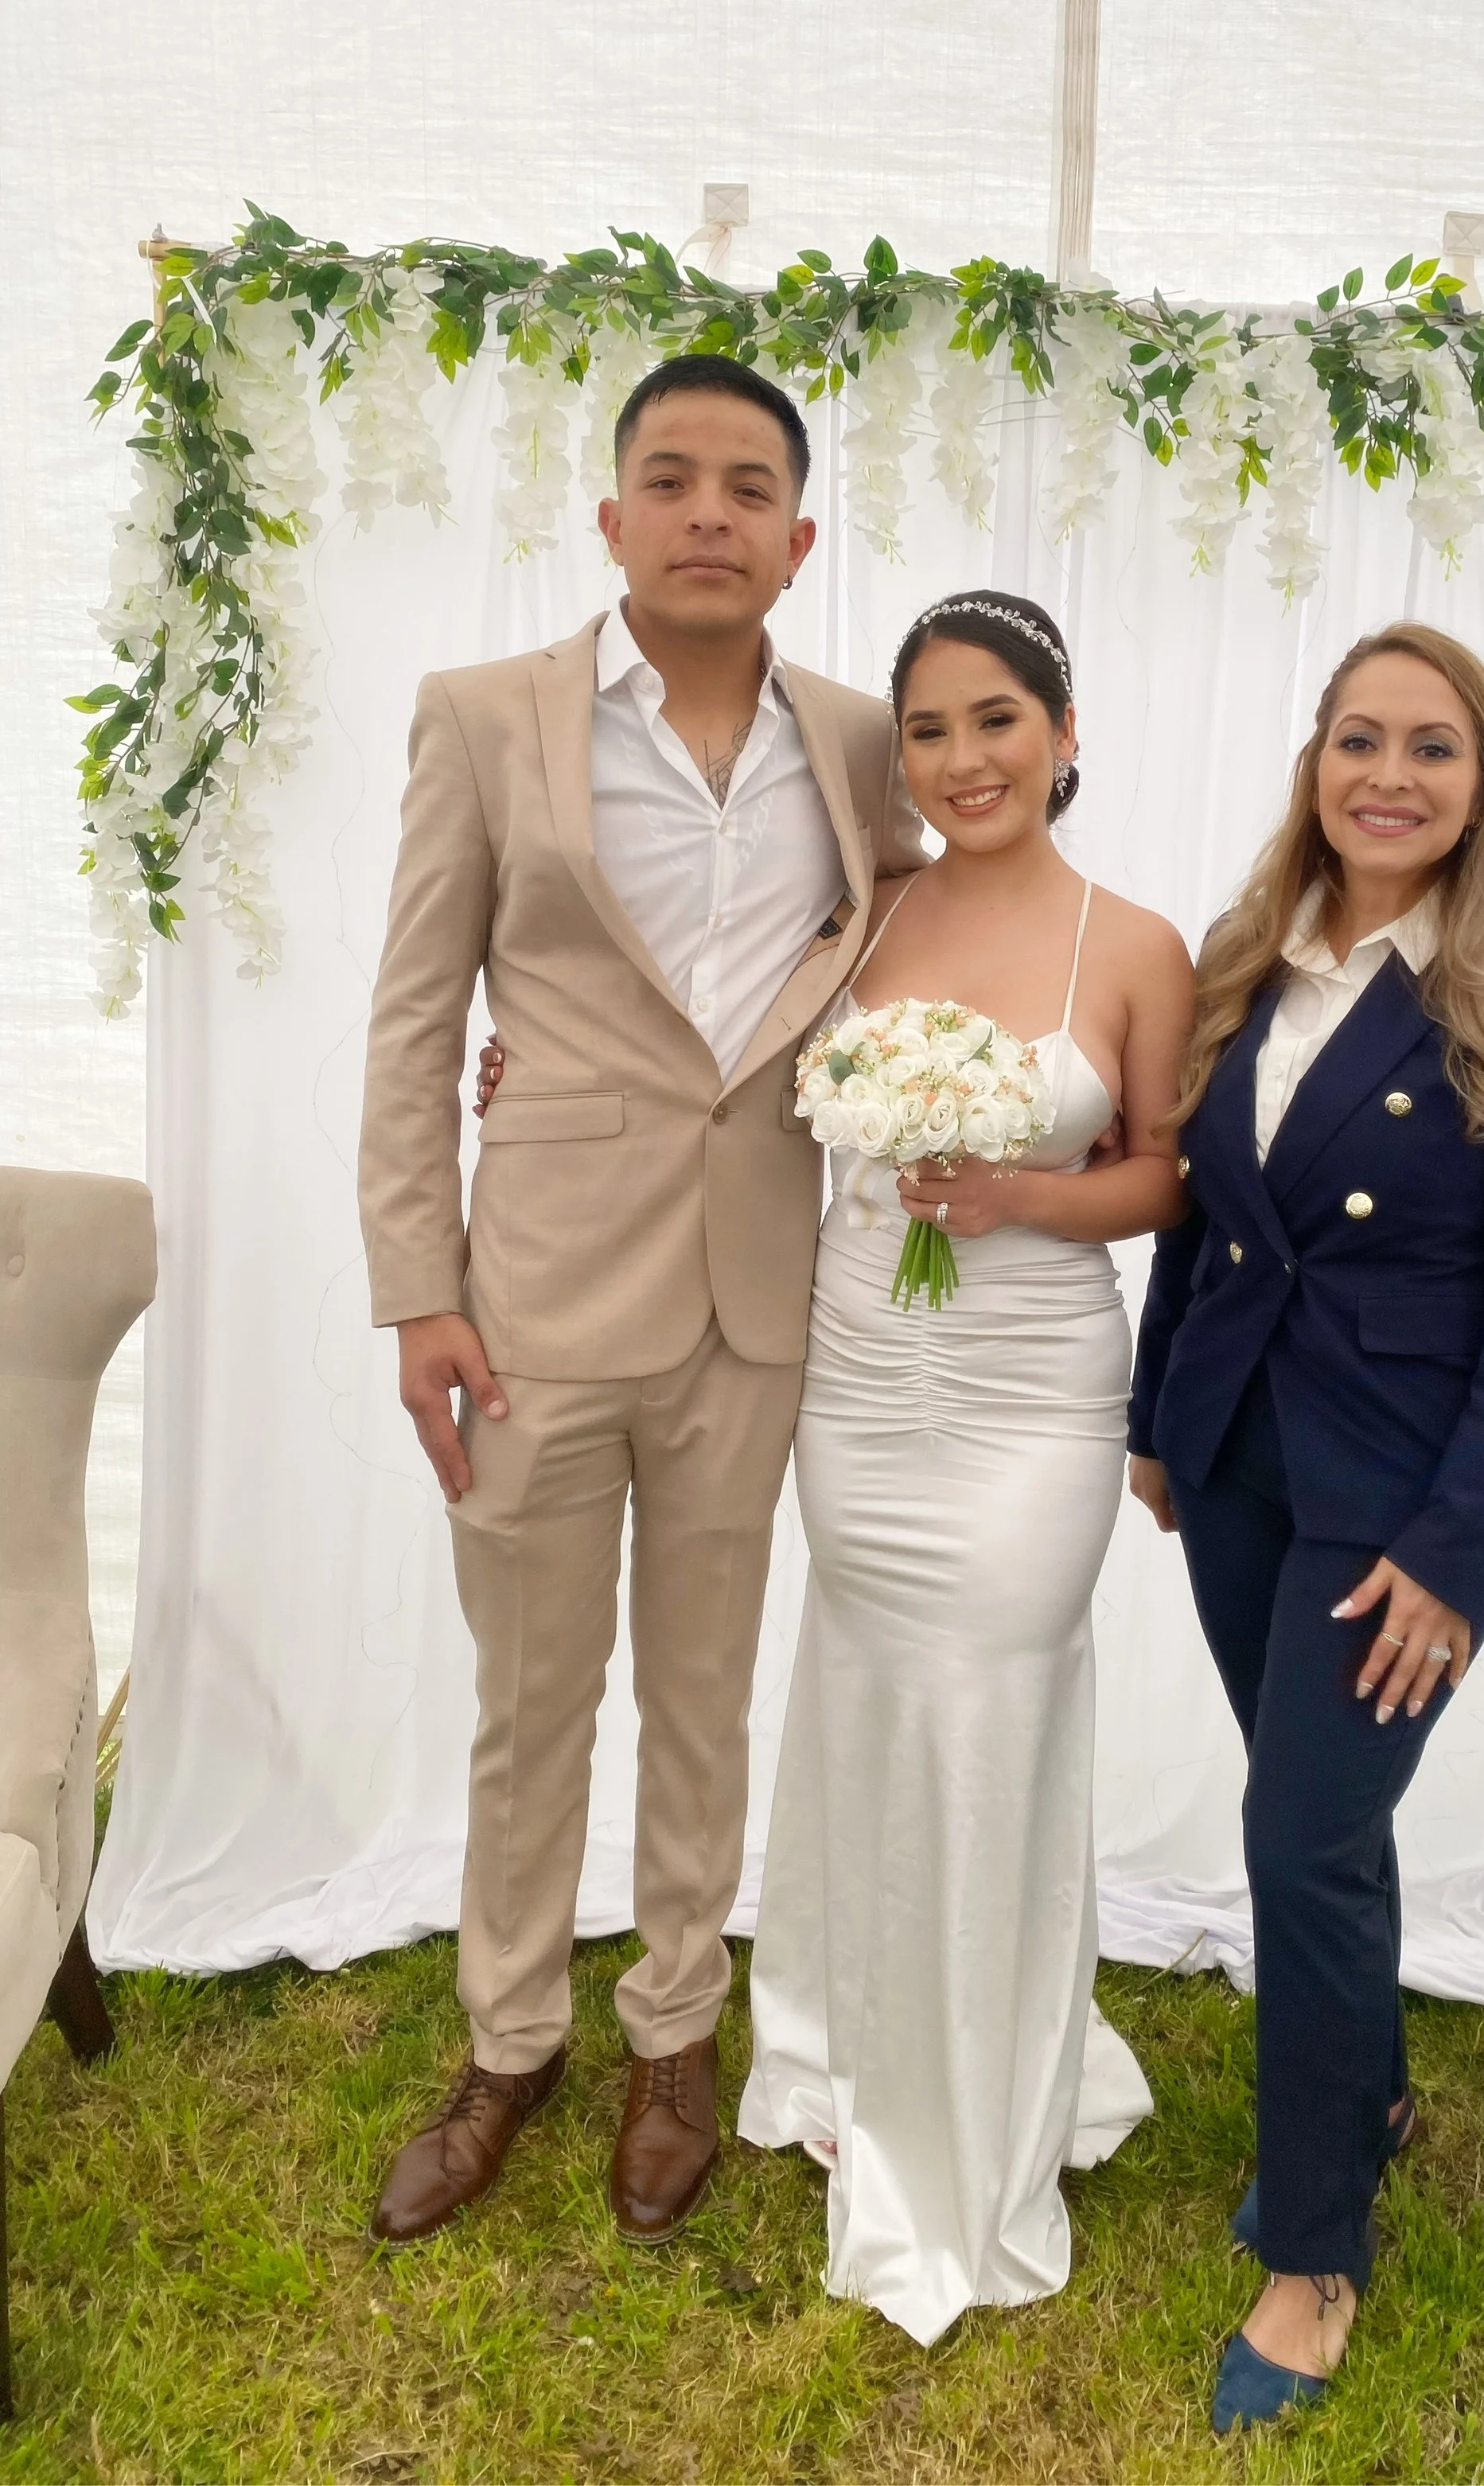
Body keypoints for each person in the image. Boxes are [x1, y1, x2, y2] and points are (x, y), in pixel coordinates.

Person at [356, 353, 926, 2248]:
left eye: (746, 486)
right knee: (531, 1700)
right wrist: (416, 1284)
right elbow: (418, 1016)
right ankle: (507, 2036)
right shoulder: (483, 717)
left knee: (702, 1693)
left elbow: (930, 939)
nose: (707, 511)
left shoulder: (863, 744)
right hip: (525, 1296)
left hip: (758, 1299)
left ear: (795, 538)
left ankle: (674, 2024)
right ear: (608, 518)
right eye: (669, 478)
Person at [1127, 621, 1484, 2432]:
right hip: (1236, 1462)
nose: (1389, 776)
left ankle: (1315, 2246)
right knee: (1320, 1820)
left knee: (1296, 1835)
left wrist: (1458, 1552)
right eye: (1358, 739)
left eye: (1432, 746)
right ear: (1311, 762)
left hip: (1396, 1502)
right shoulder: (1252, 949)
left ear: (1479, 779)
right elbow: (1203, 1205)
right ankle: (1376, 2091)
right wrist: (1156, 1411)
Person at [734, 592, 1197, 2343]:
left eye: (994, 719)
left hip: (1027, 1392)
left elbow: (1163, 1174)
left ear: (1064, 733)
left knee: (987, 1703)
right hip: (858, 1368)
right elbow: (721, 1066)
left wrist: (1015, 1192)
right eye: (926, 729)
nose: (959, 757)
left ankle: (970, 2110)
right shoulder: (859, 915)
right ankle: (850, 2047)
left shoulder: (1131, 941)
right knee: (864, 1693)